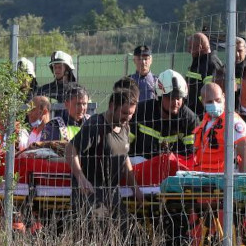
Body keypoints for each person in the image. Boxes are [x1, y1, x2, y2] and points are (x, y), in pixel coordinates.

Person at [65, 88, 143, 218]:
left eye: (131, 114)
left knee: (127, 232)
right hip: (91, 194)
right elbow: (70, 149)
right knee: (100, 232)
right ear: (112, 106)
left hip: (112, 193)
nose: (128, 118)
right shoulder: (96, 125)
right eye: (124, 113)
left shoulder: (125, 127)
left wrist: (135, 188)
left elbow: (124, 157)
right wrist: (81, 178)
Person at [129, 69, 199, 159]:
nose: (175, 102)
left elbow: (190, 154)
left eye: (179, 97)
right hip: (140, 167)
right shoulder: (140, 112)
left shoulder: (190, 120)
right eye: (170, 97)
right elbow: (124, 145)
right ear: (159, 97)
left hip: (176, 169)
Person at [194, 83, 246, 173]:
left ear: (224, 97)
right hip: (204, 180)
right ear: (202, 101)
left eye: (217, 100)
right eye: (209, 102)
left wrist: (244, 185)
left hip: (225, 182)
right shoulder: (205, 121)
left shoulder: (233, 122)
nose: (214, 104)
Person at [186, 32, 224, 115]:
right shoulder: (198, 63)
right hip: (194, 113)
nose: (188, 51)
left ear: (199, 48)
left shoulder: (211, 64)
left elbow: (211, 92)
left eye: (190, 48)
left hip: (204, 114)